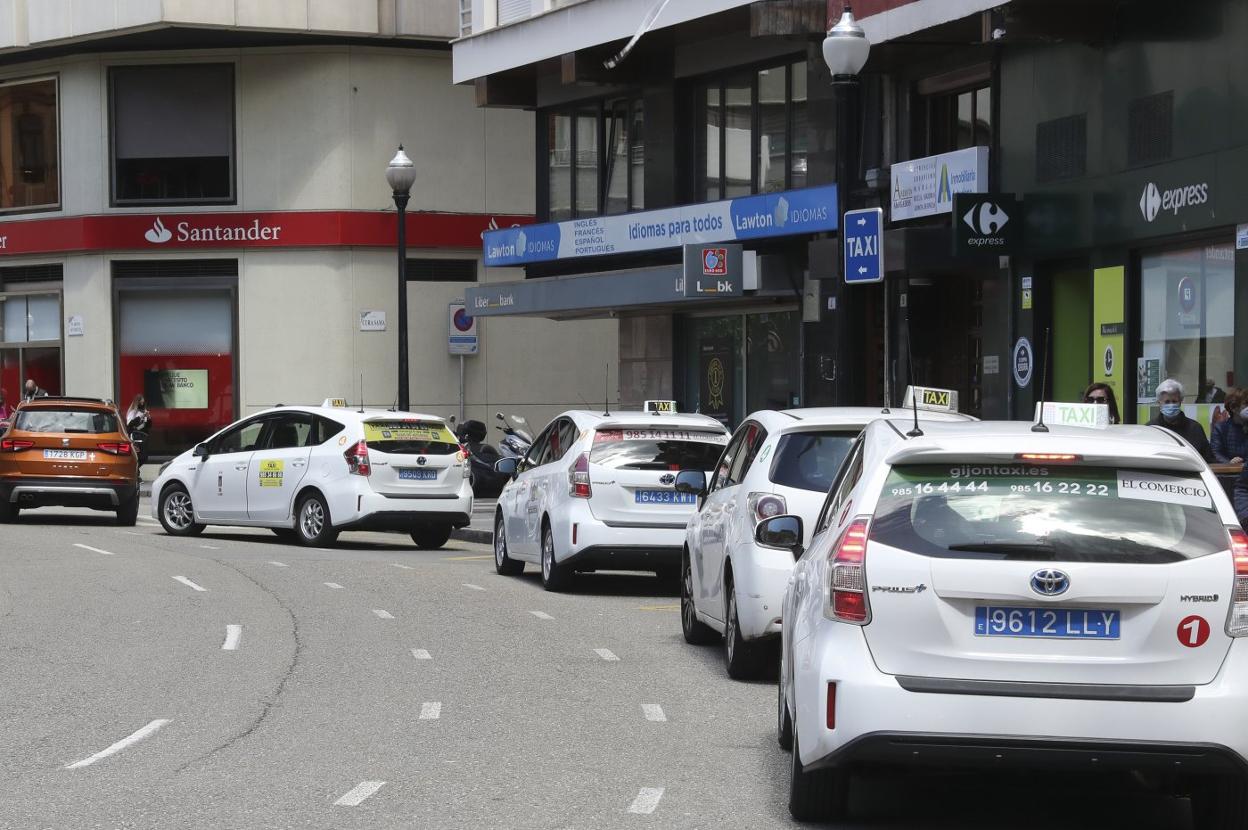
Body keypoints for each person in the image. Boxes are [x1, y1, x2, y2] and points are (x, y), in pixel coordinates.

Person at [1147, 378, 1215, 462]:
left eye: (1174, 401)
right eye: (1167, 402)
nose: (1171, 405)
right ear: (1159, 402)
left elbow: (1208, 459)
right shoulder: (1150, 429)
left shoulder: (1195, 428)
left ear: (1180, 402)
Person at [1211, 388, 1248, 464]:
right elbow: (1216, 453)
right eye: (1246, 404)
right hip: (1230, 473)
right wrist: (1229, 462)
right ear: (1233, 408)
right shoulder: (1221, 428)